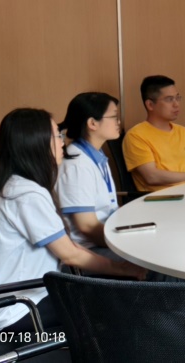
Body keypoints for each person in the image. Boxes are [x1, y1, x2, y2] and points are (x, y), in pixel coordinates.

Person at [0, 108, 146, 332]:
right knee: (123, 304)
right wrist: (123, 270)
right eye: (57, 135)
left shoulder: (17, 185)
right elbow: (70, 254)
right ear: (36, 143)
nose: (62, 143)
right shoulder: (27, 195)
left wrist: (121, 269)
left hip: (21, 299)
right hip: (20, 309)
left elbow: (69, 249)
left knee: (116, 297)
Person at [123, 75, 185, 192]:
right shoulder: (136, 135)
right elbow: (151, 176)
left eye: (177, 98)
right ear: (150, 105)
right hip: (163, 198)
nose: (176, 104)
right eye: (169, 99)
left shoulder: (183, 132)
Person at [56, 92, 122, 255]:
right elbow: (87, 227)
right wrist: (126, 245)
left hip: (107, 238)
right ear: (92, 123)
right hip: (90, 250)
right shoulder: (77, 165)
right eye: (114, 117)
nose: (119, 122)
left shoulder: (95, 155)